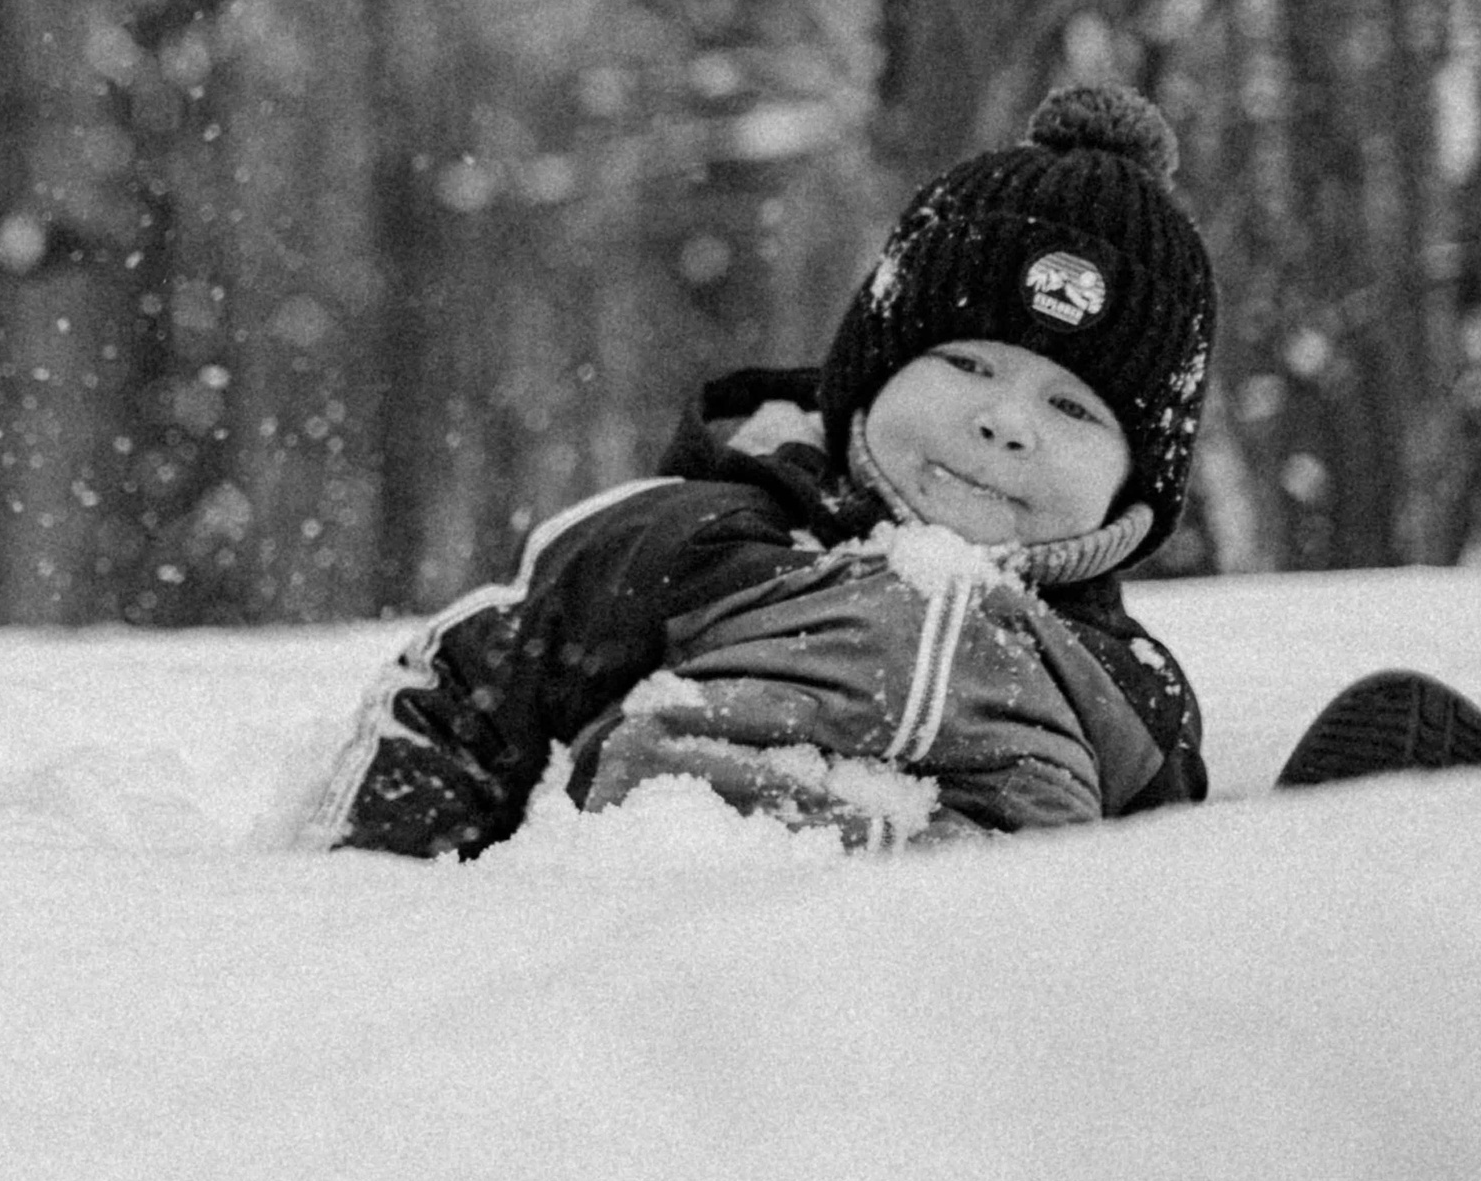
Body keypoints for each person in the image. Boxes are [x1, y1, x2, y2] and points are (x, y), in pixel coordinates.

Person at [305, 82, 1481, 861]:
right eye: (965, 362)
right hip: (671, 956)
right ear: (863, 373)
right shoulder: (699, 538)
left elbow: (1140, 894)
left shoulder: (1130, 686)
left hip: (969, 1020)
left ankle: (1359, 898)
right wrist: (394, 904)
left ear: (1139, 484)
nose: (1004, 423)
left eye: (1074, 406)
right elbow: (463, 690)